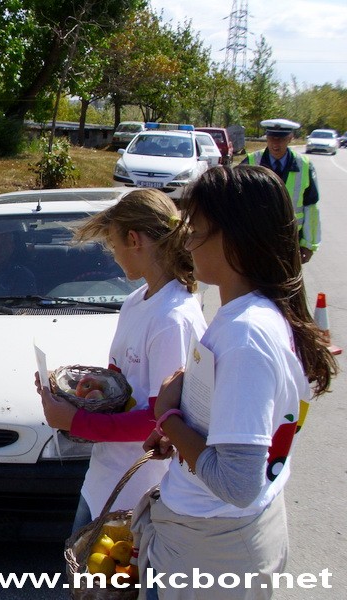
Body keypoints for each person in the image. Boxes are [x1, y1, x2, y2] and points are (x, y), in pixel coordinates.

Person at [136, 165, 338, 599]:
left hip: (212, 549)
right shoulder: (258, 313)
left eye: (197, 230)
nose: (187, 242)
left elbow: (237, 484)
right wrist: (185, 429)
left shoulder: (246, 335)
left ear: (235, 238)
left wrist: (168, 417)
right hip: (219, 540)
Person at [38, 188, 207, 533]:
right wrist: (81, 389)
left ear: (133, 240)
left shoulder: (172, 319)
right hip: (103, 478)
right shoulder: (136, 301)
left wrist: (75, 421)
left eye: (113, 245)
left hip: (138, 491)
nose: (114, 256)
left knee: (102, 568)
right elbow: (122, 385)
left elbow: (160, 422)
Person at [241, 118, 320, 264]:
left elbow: (311, 207)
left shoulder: (304, 165)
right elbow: (235, 202)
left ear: (290, 138)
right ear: (266, 137)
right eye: (272, 138)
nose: (275, 143)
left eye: (281, 139)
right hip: (257, 239)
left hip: (290, 240)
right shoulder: (251, 162)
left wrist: (309, 245)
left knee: (287, 278)